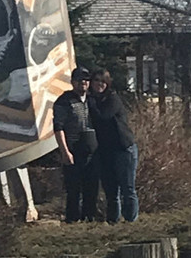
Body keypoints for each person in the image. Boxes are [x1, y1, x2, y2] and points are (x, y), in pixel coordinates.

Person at [89, 68, 139, 223]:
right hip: (105, 150)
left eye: (103, 81)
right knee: (111, 190)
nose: (99, 84)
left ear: (108, 84)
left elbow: (103, 116)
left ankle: (131, 221)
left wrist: (90, 103)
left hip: (123, 148)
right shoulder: (92, 100)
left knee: (127, 188)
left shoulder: (113, 99)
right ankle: (113, 222)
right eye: (96, 80)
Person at [52, 67, 99, 223]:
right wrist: (65, 151)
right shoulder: (64, 101)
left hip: (92, 151)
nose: (83, 83)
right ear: (73, 82)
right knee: (74, 189)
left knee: (91, 187)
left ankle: (89, 217)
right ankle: (72, 220)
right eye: (80, 80)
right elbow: (58, 128)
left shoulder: (93, 100)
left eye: (86, 80)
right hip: (73, 150)